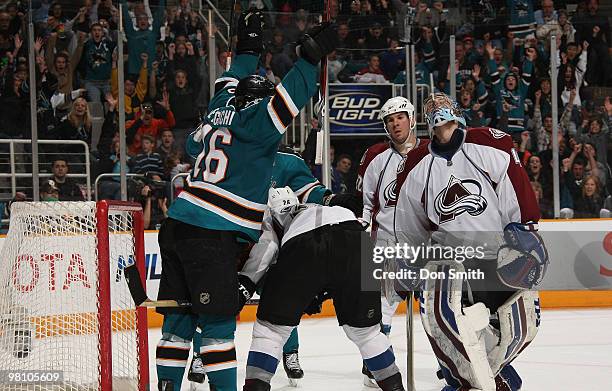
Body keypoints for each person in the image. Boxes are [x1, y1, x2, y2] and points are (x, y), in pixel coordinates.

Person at [154, 9, 337, 391]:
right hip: (212, 233)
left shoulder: (218, 107)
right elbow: (290, 99)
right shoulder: (259, 126)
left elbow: (232, 76)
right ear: (260, 99)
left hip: (176, 225)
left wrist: (248, 46)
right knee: (218, 325)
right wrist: (309, 59)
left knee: (177, 322)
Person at [394, 92, 547, 391]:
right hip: (449, 262)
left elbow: (514, 191)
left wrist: (525, 230)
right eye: (430, 104)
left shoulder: (489, 143)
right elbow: (409, 220)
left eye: (442, 100)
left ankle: (489, 374)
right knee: (440, 321)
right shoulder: (416, 163)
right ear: (425, 121)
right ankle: (467, 379)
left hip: (495, 254)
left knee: (520, 325)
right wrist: (407, 258)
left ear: (457, 110)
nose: (436, 104)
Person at [186, 146, 362, 387]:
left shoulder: (286, 169)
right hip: (232, 248)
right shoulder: (235, 162)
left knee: (280, 306)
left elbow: (309, 191)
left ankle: (290, 354)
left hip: (271, 250)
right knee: (214, 305)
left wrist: (330, 199)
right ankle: (200, 356)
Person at [242, 187, 405, 391]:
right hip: (357, 241)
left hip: (303, 244)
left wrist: (246, 284)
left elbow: (266, 250)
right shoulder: (320, 207)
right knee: (368, 333)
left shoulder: (269, 217)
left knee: (270, 332)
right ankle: (396, 388)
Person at [356, 96, 427, 386]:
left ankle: (450, 363)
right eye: (389, 120)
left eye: (399, 117)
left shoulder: (431, 153)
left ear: (411, 119)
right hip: (385, 245)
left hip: (425, 246)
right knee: (382, 309)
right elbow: (366, 204)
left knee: (436, 309)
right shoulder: (375, 157)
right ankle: (376, 367)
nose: (395, 123)